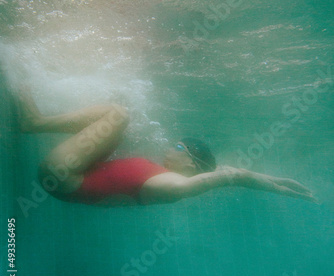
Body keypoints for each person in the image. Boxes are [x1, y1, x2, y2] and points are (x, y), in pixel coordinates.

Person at [18, 89, 317, 207]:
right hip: (71, 175)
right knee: (117, 120)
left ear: (191, 163)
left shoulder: (174, 185)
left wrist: (276, 186)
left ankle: (34, 122)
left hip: (62, 176)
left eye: (179, 146)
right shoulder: (163, 174)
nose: (170, 147)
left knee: (119, 116)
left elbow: (231, 175)